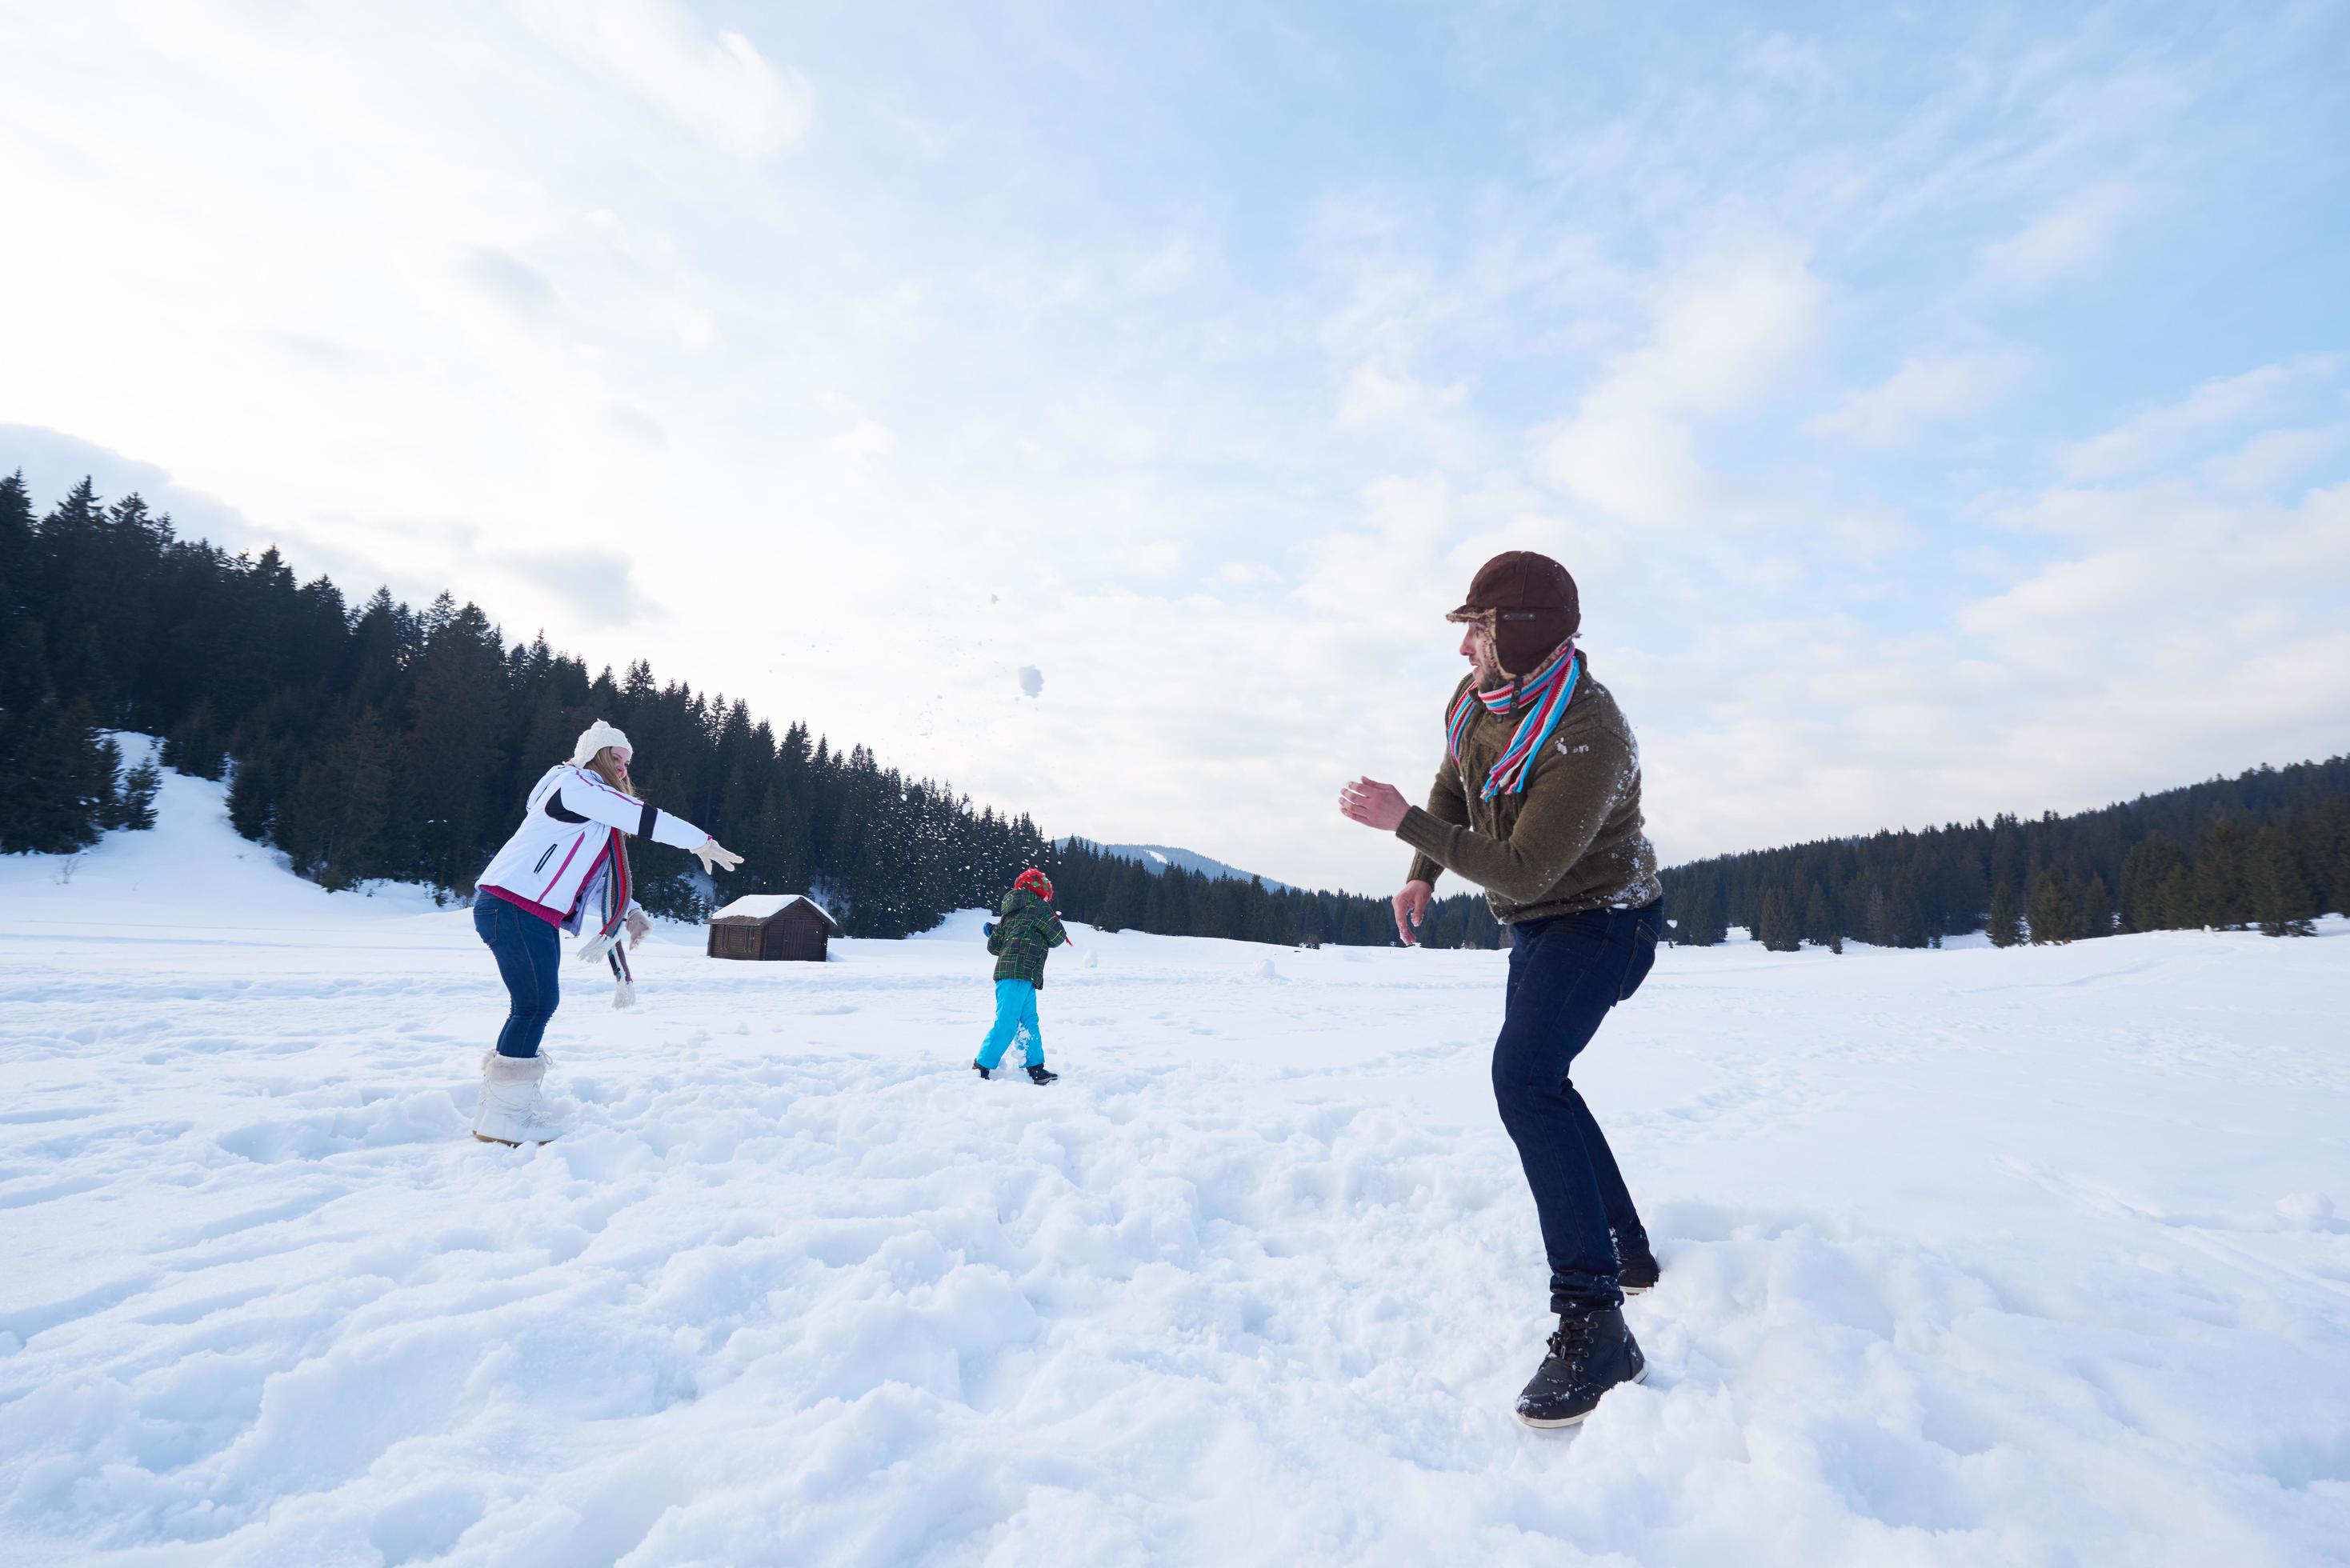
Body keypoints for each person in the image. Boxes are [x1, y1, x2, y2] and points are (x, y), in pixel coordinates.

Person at [1339, 550, 1665, 1429]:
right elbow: (1458, 776)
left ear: (1518, 636)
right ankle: (1626, 1249)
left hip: (1606, 919)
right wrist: (1422, 871)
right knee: (1541, 1079)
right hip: (1539, 920)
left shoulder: (1587, 735)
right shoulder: (1481, 703)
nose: (1465, 649)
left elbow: (1524, 868)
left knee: (1524, 1078)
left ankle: (1595, 1321)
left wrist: (1403, 821)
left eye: (1477, 631)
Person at [468, 720, 743, 1145]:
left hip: (522, 910)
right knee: (535, 1004)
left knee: (533, 1004)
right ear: (594, 755)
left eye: (628, 763)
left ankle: (501, 1107)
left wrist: (628, 911)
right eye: (616, 757)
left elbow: (592, 878)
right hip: (513, 906)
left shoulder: (589, 812)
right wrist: (699, 841)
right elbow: (642, 816)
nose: (623, 768)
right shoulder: (573, 784)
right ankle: (505, 1115)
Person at [975, 867, 1072, 1084]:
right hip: (1020, 974)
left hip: (1017, 974)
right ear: (1042, 891)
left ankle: (1035, 1067)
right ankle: (982, 1065)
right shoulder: (1039, 907)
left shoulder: (1010, 911)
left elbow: (993, 947)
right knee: (1009, 1022)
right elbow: (1057, 937)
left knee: (1027, 1022)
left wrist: (997, 932)